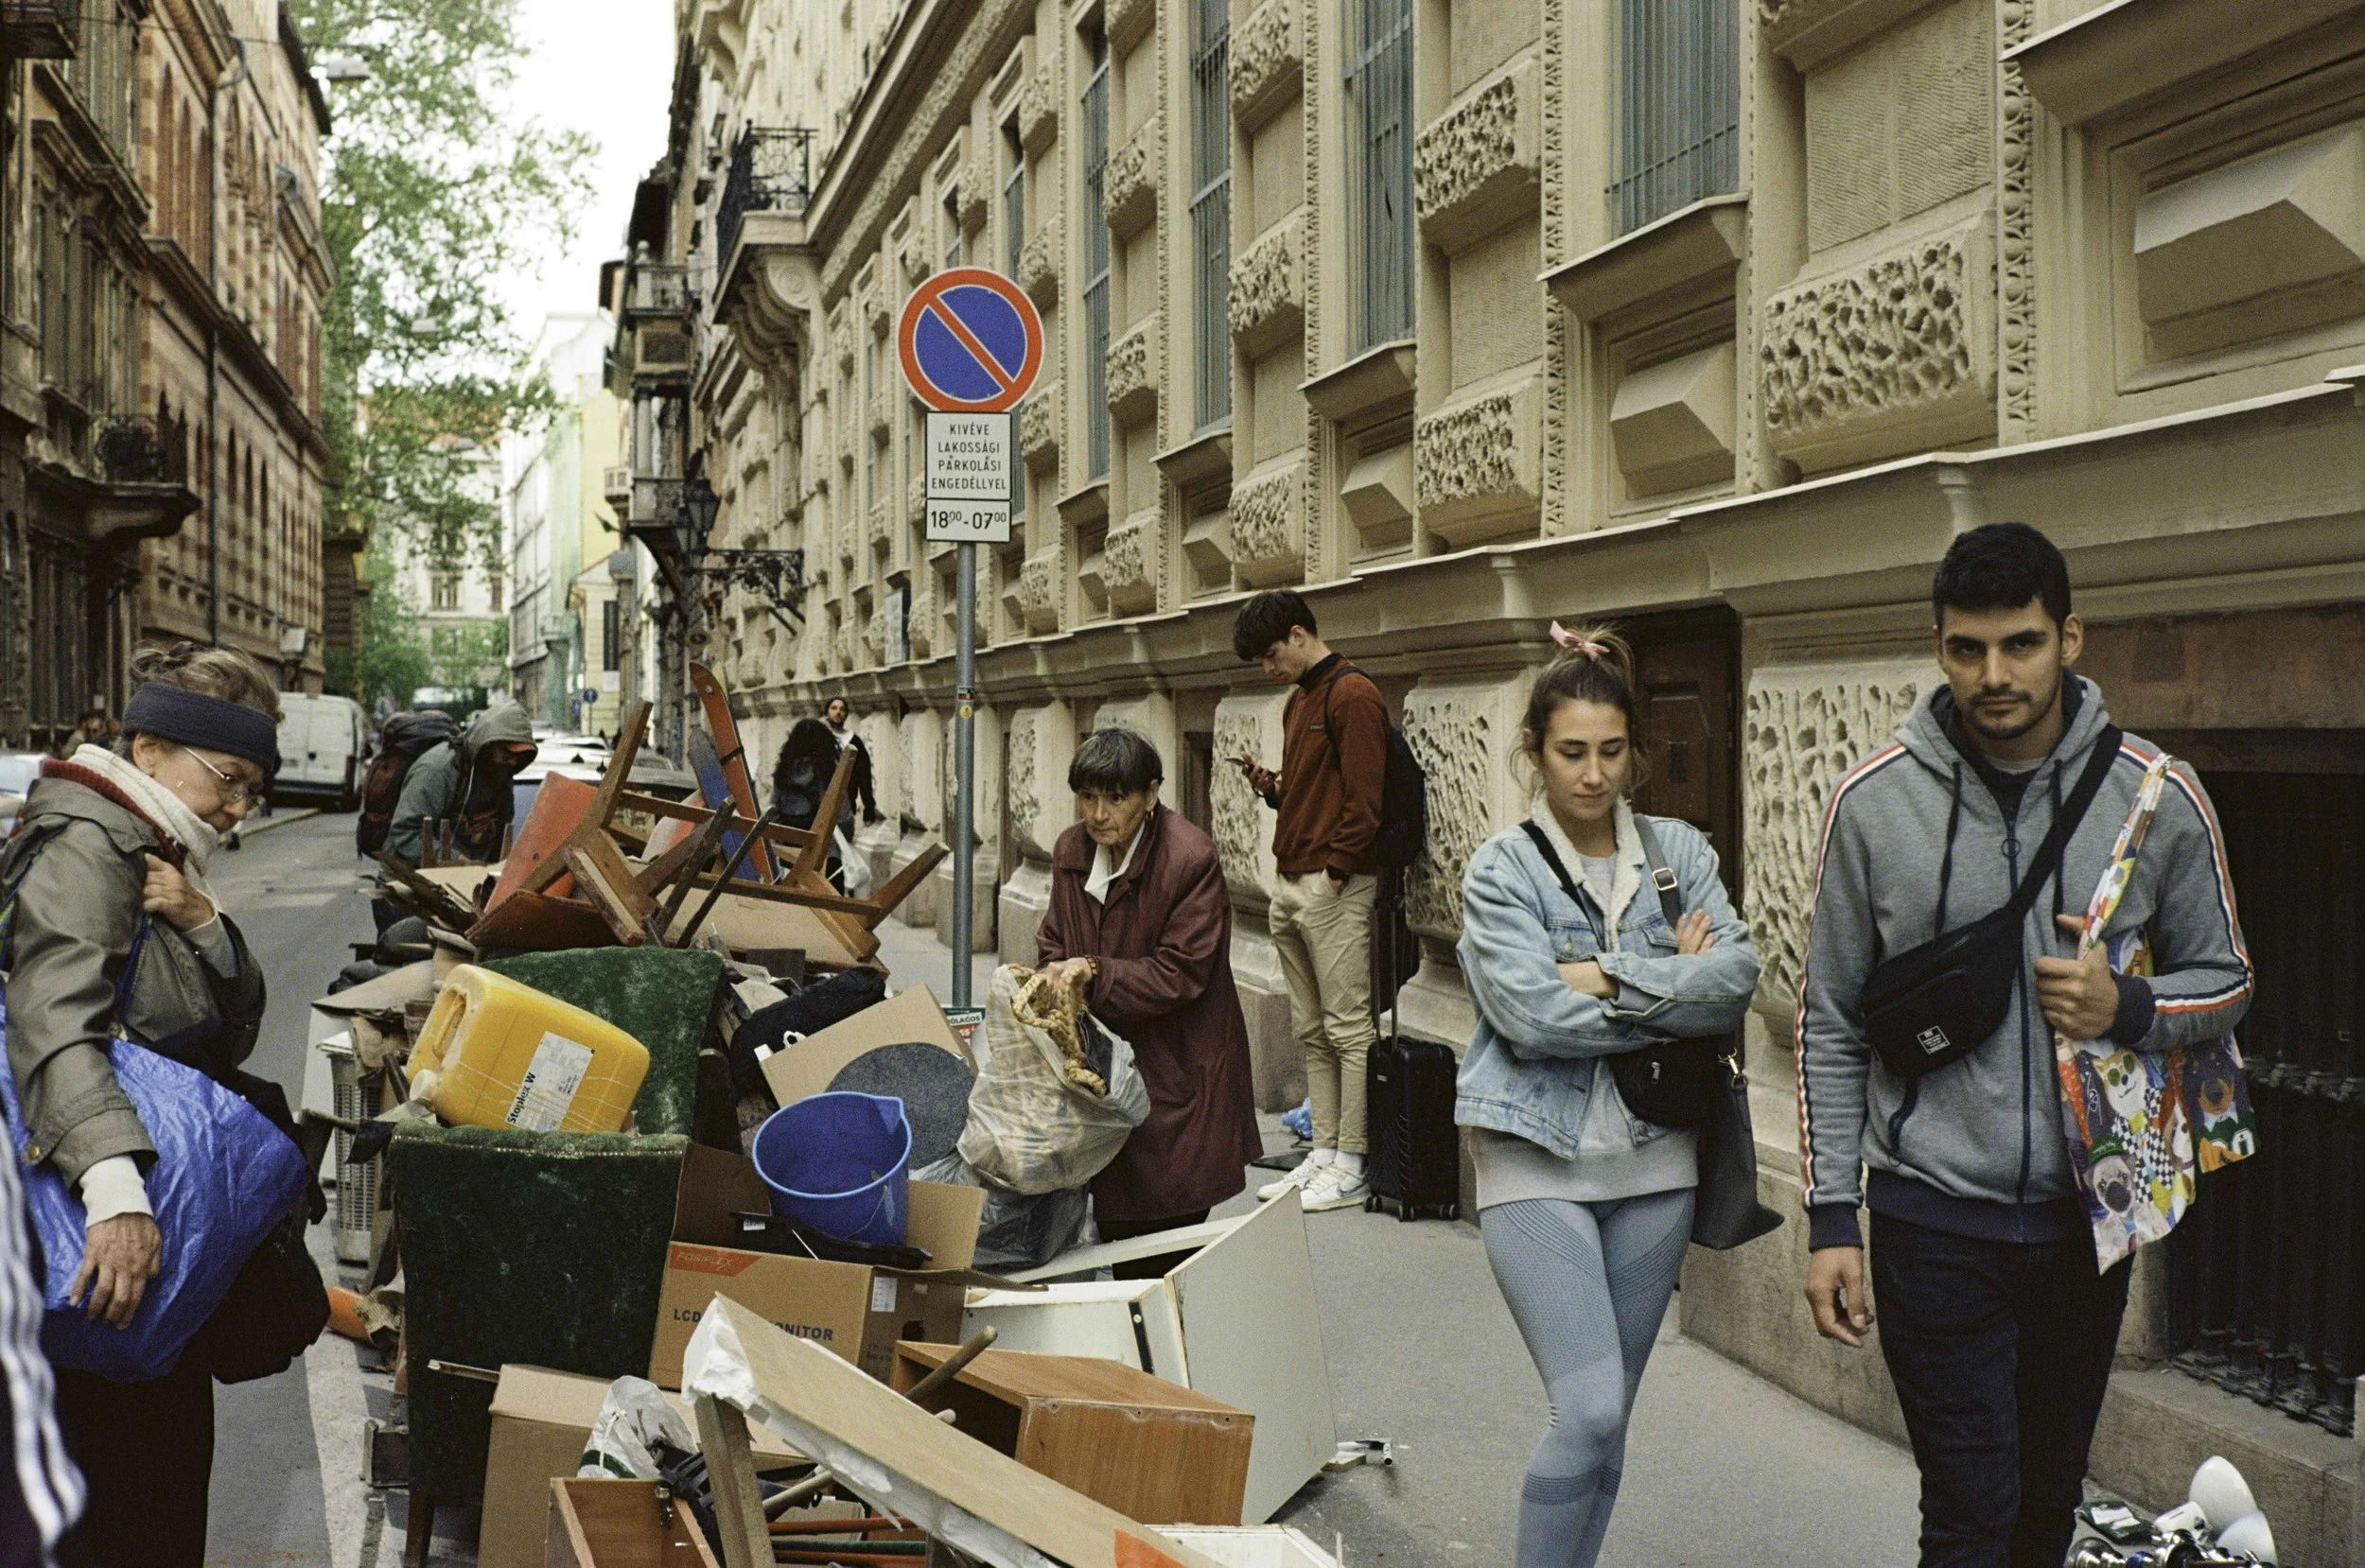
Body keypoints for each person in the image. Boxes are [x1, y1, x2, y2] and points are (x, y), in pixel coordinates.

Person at [1796, 523, 2253, 1568]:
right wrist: (1832, 1217)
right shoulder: (1873, 804)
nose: (1993, 674)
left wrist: (2125, 1007)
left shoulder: (2156, 794)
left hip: (2082, 1222)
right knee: (1970, 1513)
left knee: (2044, 1508)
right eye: (1966, 648)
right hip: (1928, 1215)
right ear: (1938, 645)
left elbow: (2226, 979)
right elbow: (1825, 1019)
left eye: (2021, 643)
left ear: (2070, 637)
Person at [1455, 626, 1759, 1568]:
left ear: (1634, 749)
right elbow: (1527, 1015)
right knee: (1582, 1405)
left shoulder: (1677, 852)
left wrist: (1594, 973)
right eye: (1570, 751)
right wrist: (1669, 978)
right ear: (1535, 751)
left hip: (1655, 1157)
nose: (1592, 774)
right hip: (1530, 1150)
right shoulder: (1500, 867)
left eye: (1611, 751)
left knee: (1610, 1419)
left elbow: (1738, 975)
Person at [1, 643, 280, 1564]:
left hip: (137, 1202)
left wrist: (203, 921)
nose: (239, 809)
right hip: (89, 1214)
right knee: (127, 1488)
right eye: (228, 779)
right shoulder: (90, 841)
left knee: (148, 1472)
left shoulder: (152, 849)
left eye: (252, 788)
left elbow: (224, 1029)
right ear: (151, 747)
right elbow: (52, 1025)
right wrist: (117, 1194)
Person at [1035, 729, 1262, 1277]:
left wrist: (1092, 971)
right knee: (1116, 1236)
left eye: (1116, 798)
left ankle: (1163, 1354)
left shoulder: (1190, 858)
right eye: (1088, 796)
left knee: (1162, 1250)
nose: (1098, 813)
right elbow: (1053, 938)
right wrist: (1047, 973)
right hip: (1103, 1074)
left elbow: (1180, 973)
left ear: (1151, 794)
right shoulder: (1072, 850)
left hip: (1179, 1074)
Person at [1230, 590, 1388, 1213]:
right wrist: (1270, 785)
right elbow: (1311, 791)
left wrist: (1337, 870)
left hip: (1331, 885)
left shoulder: (1352, 694)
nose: (1268, 670)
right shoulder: (1301, 702)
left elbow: (1365, 800)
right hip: (1294, 881)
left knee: (1349, 1030)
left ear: (1300, 635)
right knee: (1313, 1029)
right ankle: (1324, 1151)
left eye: (1271, 656)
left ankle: (1352, 1161)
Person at [383, 699, 535, 866]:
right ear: (487, 743)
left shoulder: (500, 774)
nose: (512, 762)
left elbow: (499, 837)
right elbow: (404, 833)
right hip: (409, 878)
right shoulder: (438, 769)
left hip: (464, 879)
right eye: (506, 753)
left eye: (518, 757)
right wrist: (457, 861)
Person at [772, 717, 856, 888]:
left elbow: (773, 811)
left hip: (788, 857)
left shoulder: (783, 772)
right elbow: (844, 820)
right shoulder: (829, 773)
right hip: (826, 858)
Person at [822, 695, 884, 825]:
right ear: (827, 713)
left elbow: (864, 776)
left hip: (846, 804)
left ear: (846, 714)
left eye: (842, 709)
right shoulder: (819, 738)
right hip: (820, 802)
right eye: (834, 708)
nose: (838, 712)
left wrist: (869, 809)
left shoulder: (854, 741)